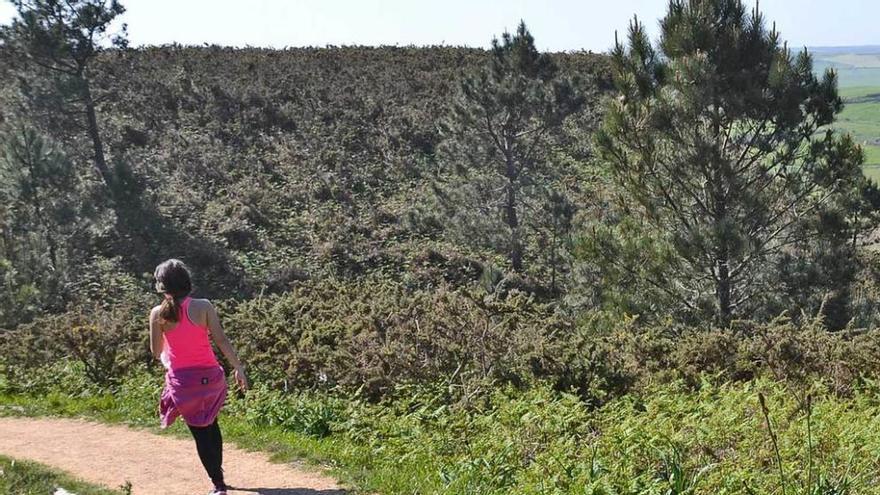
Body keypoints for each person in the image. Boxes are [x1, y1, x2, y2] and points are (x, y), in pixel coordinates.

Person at [149, 259, 248, 495]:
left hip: (184, 384)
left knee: (200, 432)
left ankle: (218, 483)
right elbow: (221, 340)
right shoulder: (203, 306)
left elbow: (155, 351)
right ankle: (219, 474)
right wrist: (238, 367)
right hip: (212, 379)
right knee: (211, 424)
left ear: (162, 287)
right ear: (186, 281)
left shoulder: (157, 313)